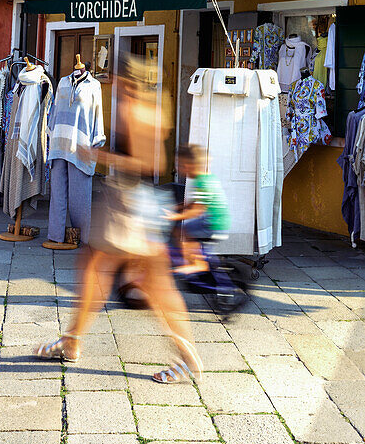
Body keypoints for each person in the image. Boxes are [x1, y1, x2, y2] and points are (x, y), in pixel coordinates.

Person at [34, 56, 202, 384]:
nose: (114, 85)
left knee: (147, 285)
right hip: (136, 204)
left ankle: (188, 359)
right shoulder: (152, 111)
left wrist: (97, 155)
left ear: (129, 82)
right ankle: (72, 341)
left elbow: (142, 162)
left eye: (118, 80)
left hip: (131, 206)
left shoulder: (138, 113)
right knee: (101, 272)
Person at [170, 144, 230, 274]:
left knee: (182, 230)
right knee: (191, 230)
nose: (179, 169)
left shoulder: (202, 182)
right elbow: (198, 202)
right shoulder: (208, 178)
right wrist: (181, 206)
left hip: (213, 224)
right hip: (219, 222)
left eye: (180, 166)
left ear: (188, 166)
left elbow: (197, 210)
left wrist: (175, 216)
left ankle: (195, 263)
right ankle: (199, 260)